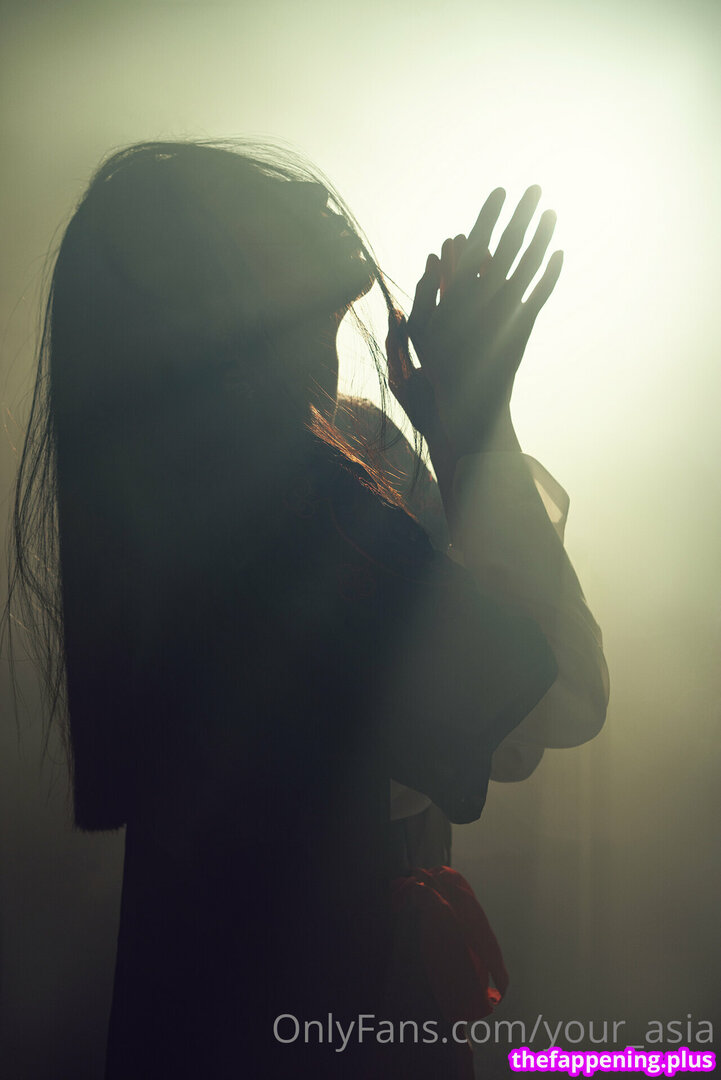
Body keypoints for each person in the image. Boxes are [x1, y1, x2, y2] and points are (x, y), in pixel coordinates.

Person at [7, 141, 608, 1078]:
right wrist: (479, 420)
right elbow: (555, 694)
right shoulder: (294, 523)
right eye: (267, 203)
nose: (320, 203)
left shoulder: (193, 516)